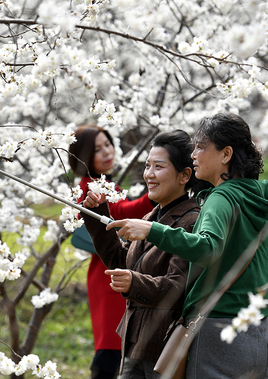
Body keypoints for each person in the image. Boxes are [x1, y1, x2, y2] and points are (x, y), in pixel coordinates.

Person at [107, 113, 268, 379]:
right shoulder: (256, 196)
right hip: (257, 329)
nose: (193, 154)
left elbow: (209, 248)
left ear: (226, 154)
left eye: (201, 146)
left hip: (217, 329)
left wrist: (152, 230)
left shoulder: (221, 198)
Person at [80, 130, 208, 379]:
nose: (149, 174)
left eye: (158, 167)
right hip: (133, 343)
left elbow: (177, 286)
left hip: (164, 345)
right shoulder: (151, 217)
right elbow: (122, 260)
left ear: (185, 175)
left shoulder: (191, 220)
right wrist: (97, 216)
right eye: (147, 165)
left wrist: (133, 282)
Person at [69, 125, 154, 379]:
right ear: (83, 156)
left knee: (119, 345)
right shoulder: (88, 188)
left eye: (108, 144)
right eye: (97, 149)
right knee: (110, 348)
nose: (107, 152)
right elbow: (121, 214)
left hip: (117, 269)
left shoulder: (105, 183)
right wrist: (159, 193)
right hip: (108, 273)